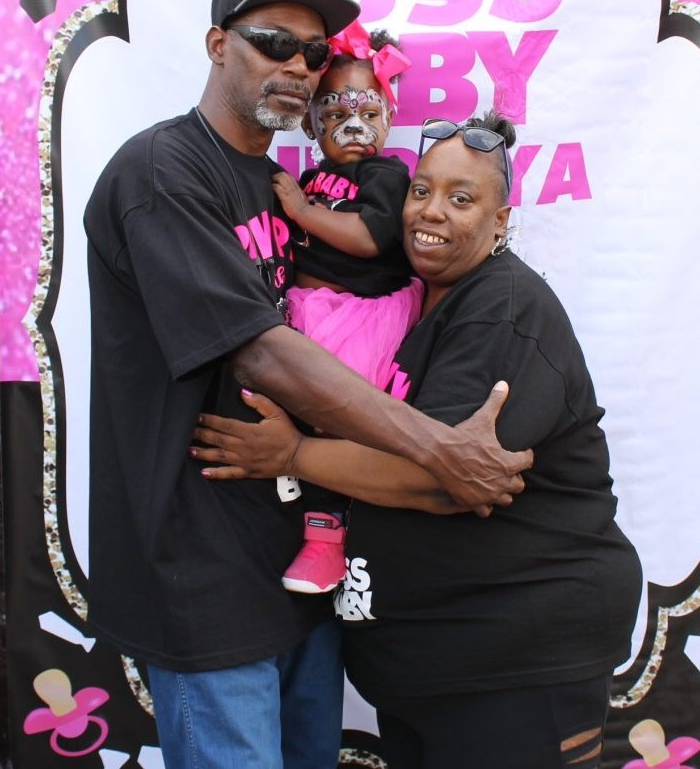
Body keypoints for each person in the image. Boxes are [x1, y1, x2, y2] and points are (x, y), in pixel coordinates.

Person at [84, 0, 531, 769]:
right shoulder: (161, 173)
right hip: (202, 569)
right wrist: (438, 450)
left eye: (314, 52)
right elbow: (261, 351)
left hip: (294, 560)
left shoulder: (279, 185)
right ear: (218, 45)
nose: (297, 65)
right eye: (273, 42)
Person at [192, 113, 643, 768]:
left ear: (499, 222)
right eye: (421, 190)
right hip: (431, 666)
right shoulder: (412, 301)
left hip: (512, 662)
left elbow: (440, 478)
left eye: (461, 199)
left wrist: (292, 455)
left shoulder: (501, 309)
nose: (431, 211)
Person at [272, 21, 421, 594]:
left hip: (359, 321)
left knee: (335, 424)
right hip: (309, 314)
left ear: (388, 117)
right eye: (335, 113)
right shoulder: (314, 177)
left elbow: (371, 238)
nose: (354, 127)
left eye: (368, 112)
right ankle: (291, 470)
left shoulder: (386, 174)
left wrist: (301, 212)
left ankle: (326, 542)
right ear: (311, 122)